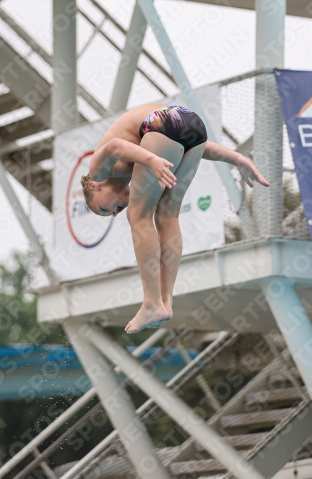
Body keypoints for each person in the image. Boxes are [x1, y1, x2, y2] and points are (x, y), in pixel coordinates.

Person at [80, 103, 270, 333]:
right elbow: (183, 130)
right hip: (192, 126)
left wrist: (150, 160)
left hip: (163, 123)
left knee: (138, 215)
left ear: (94, 187)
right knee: (167, 213)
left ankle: (151, 303)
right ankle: (165, 302)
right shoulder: (136, 159)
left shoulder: (97, 173)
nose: (112, 213)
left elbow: (115, 146)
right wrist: (236, 157)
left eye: (103, 209)